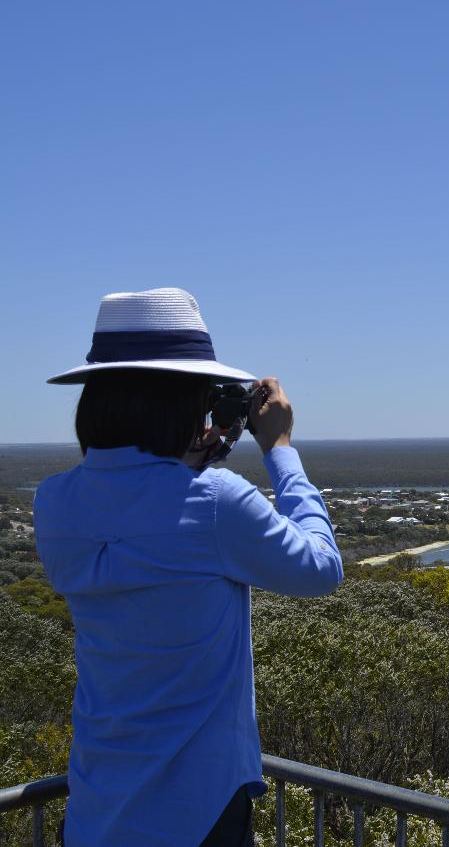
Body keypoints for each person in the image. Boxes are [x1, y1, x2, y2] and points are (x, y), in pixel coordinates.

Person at [34, 288, 344, 845]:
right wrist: (280, 449)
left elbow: (141, 517)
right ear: (181, 404)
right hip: (198, 812)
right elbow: (321, 567)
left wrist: (180, 459)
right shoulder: (215, 502)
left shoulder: (54, 502)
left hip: (98, 806)